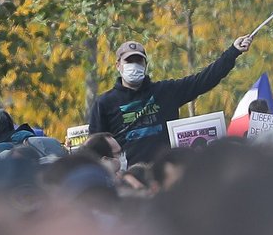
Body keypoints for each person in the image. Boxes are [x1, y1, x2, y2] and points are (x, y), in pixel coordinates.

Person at [88, 37, 254, 165]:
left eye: (138, 61)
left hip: (167, 172)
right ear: (118, 65)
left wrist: (233, 52)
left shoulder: (165, 91)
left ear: (145, 65)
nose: (134, 65)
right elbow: (96, 148)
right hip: (130, 177)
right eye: (129, 61)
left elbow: (203, 80)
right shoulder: (104, 103)